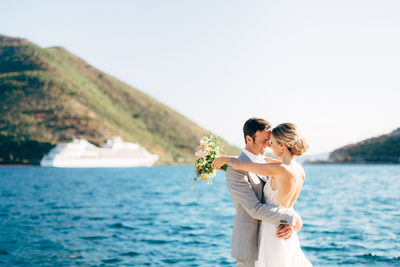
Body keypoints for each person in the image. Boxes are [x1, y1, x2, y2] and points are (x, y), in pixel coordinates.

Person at [212, 122, 312, 267]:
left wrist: (227, 160)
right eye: (265, 141)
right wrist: (292, 218)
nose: (269, 145)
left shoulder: (277, 169)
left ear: (282, 146)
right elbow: (257, 207)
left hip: (274, 232)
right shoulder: (298, 169)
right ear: (249, 139)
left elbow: (244, 165)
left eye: (271, 142)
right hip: (258, 237)